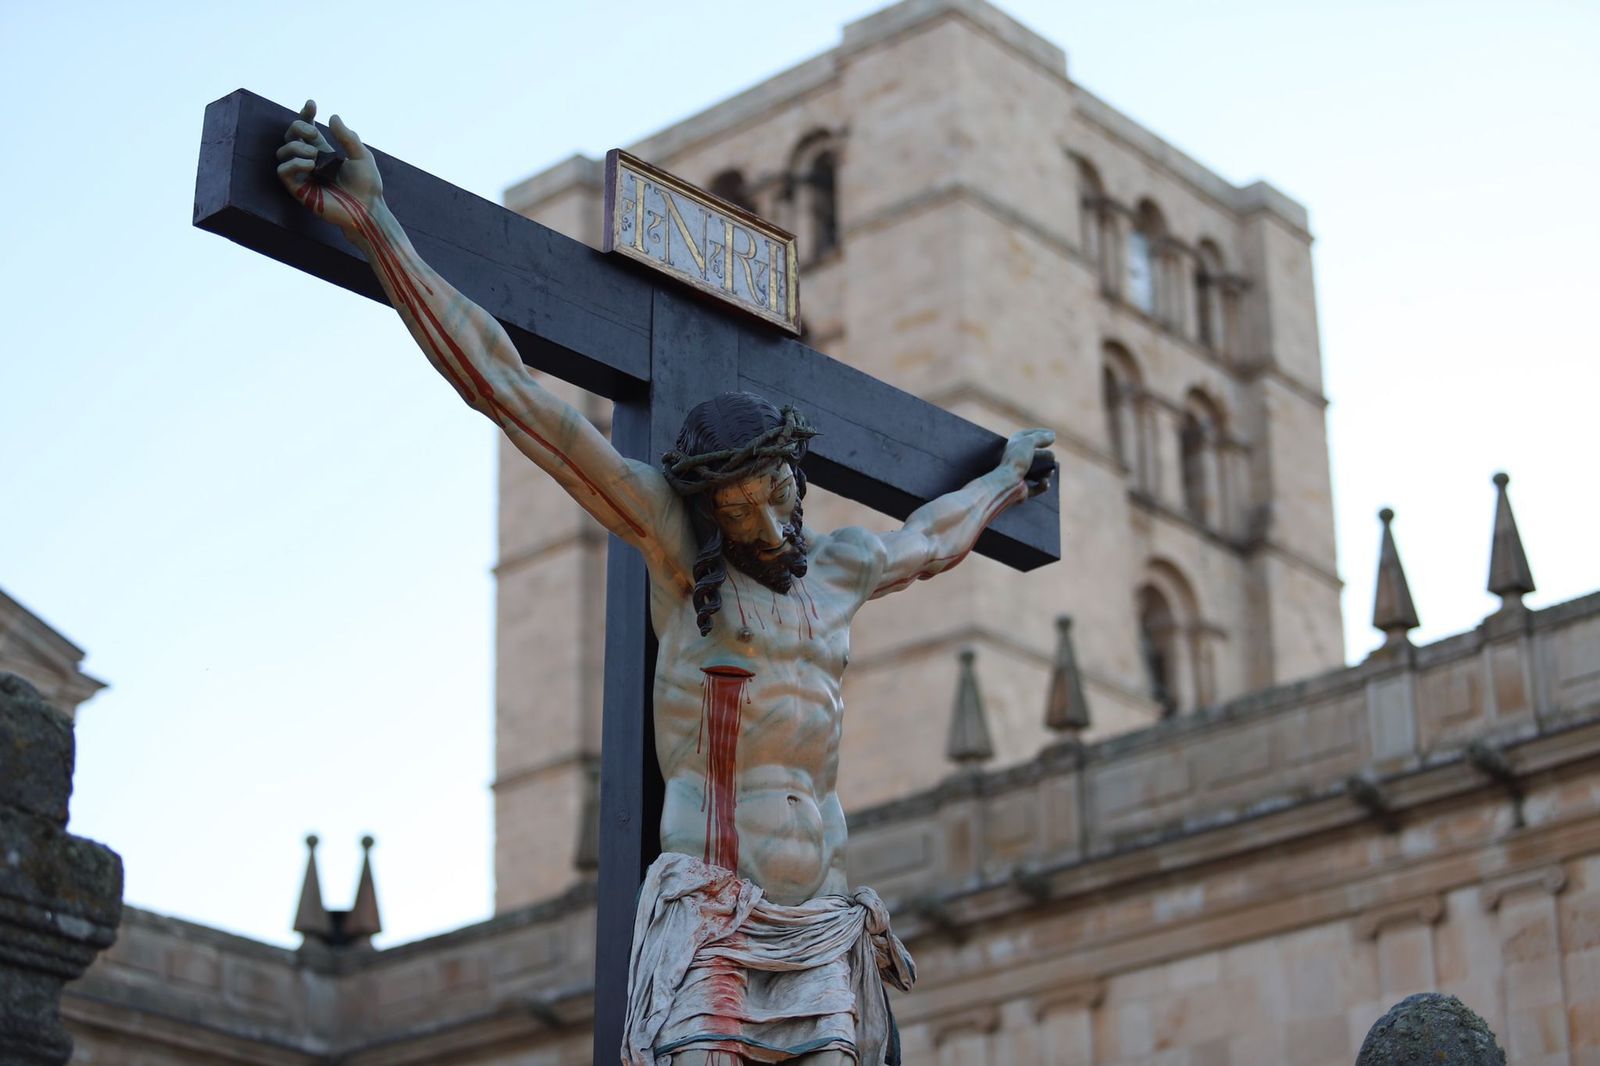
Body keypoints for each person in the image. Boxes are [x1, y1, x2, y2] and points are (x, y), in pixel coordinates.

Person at [279, 102, 1055, 1066]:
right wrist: (375, 227)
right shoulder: (682, 557)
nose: (768, 526)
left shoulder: (843, 570)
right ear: (707, 511)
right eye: (741, 512)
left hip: (819, 920)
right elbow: (511, 393)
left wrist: (1007, 479)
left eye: (778, 498)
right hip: (712, 912)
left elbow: (933, 538)